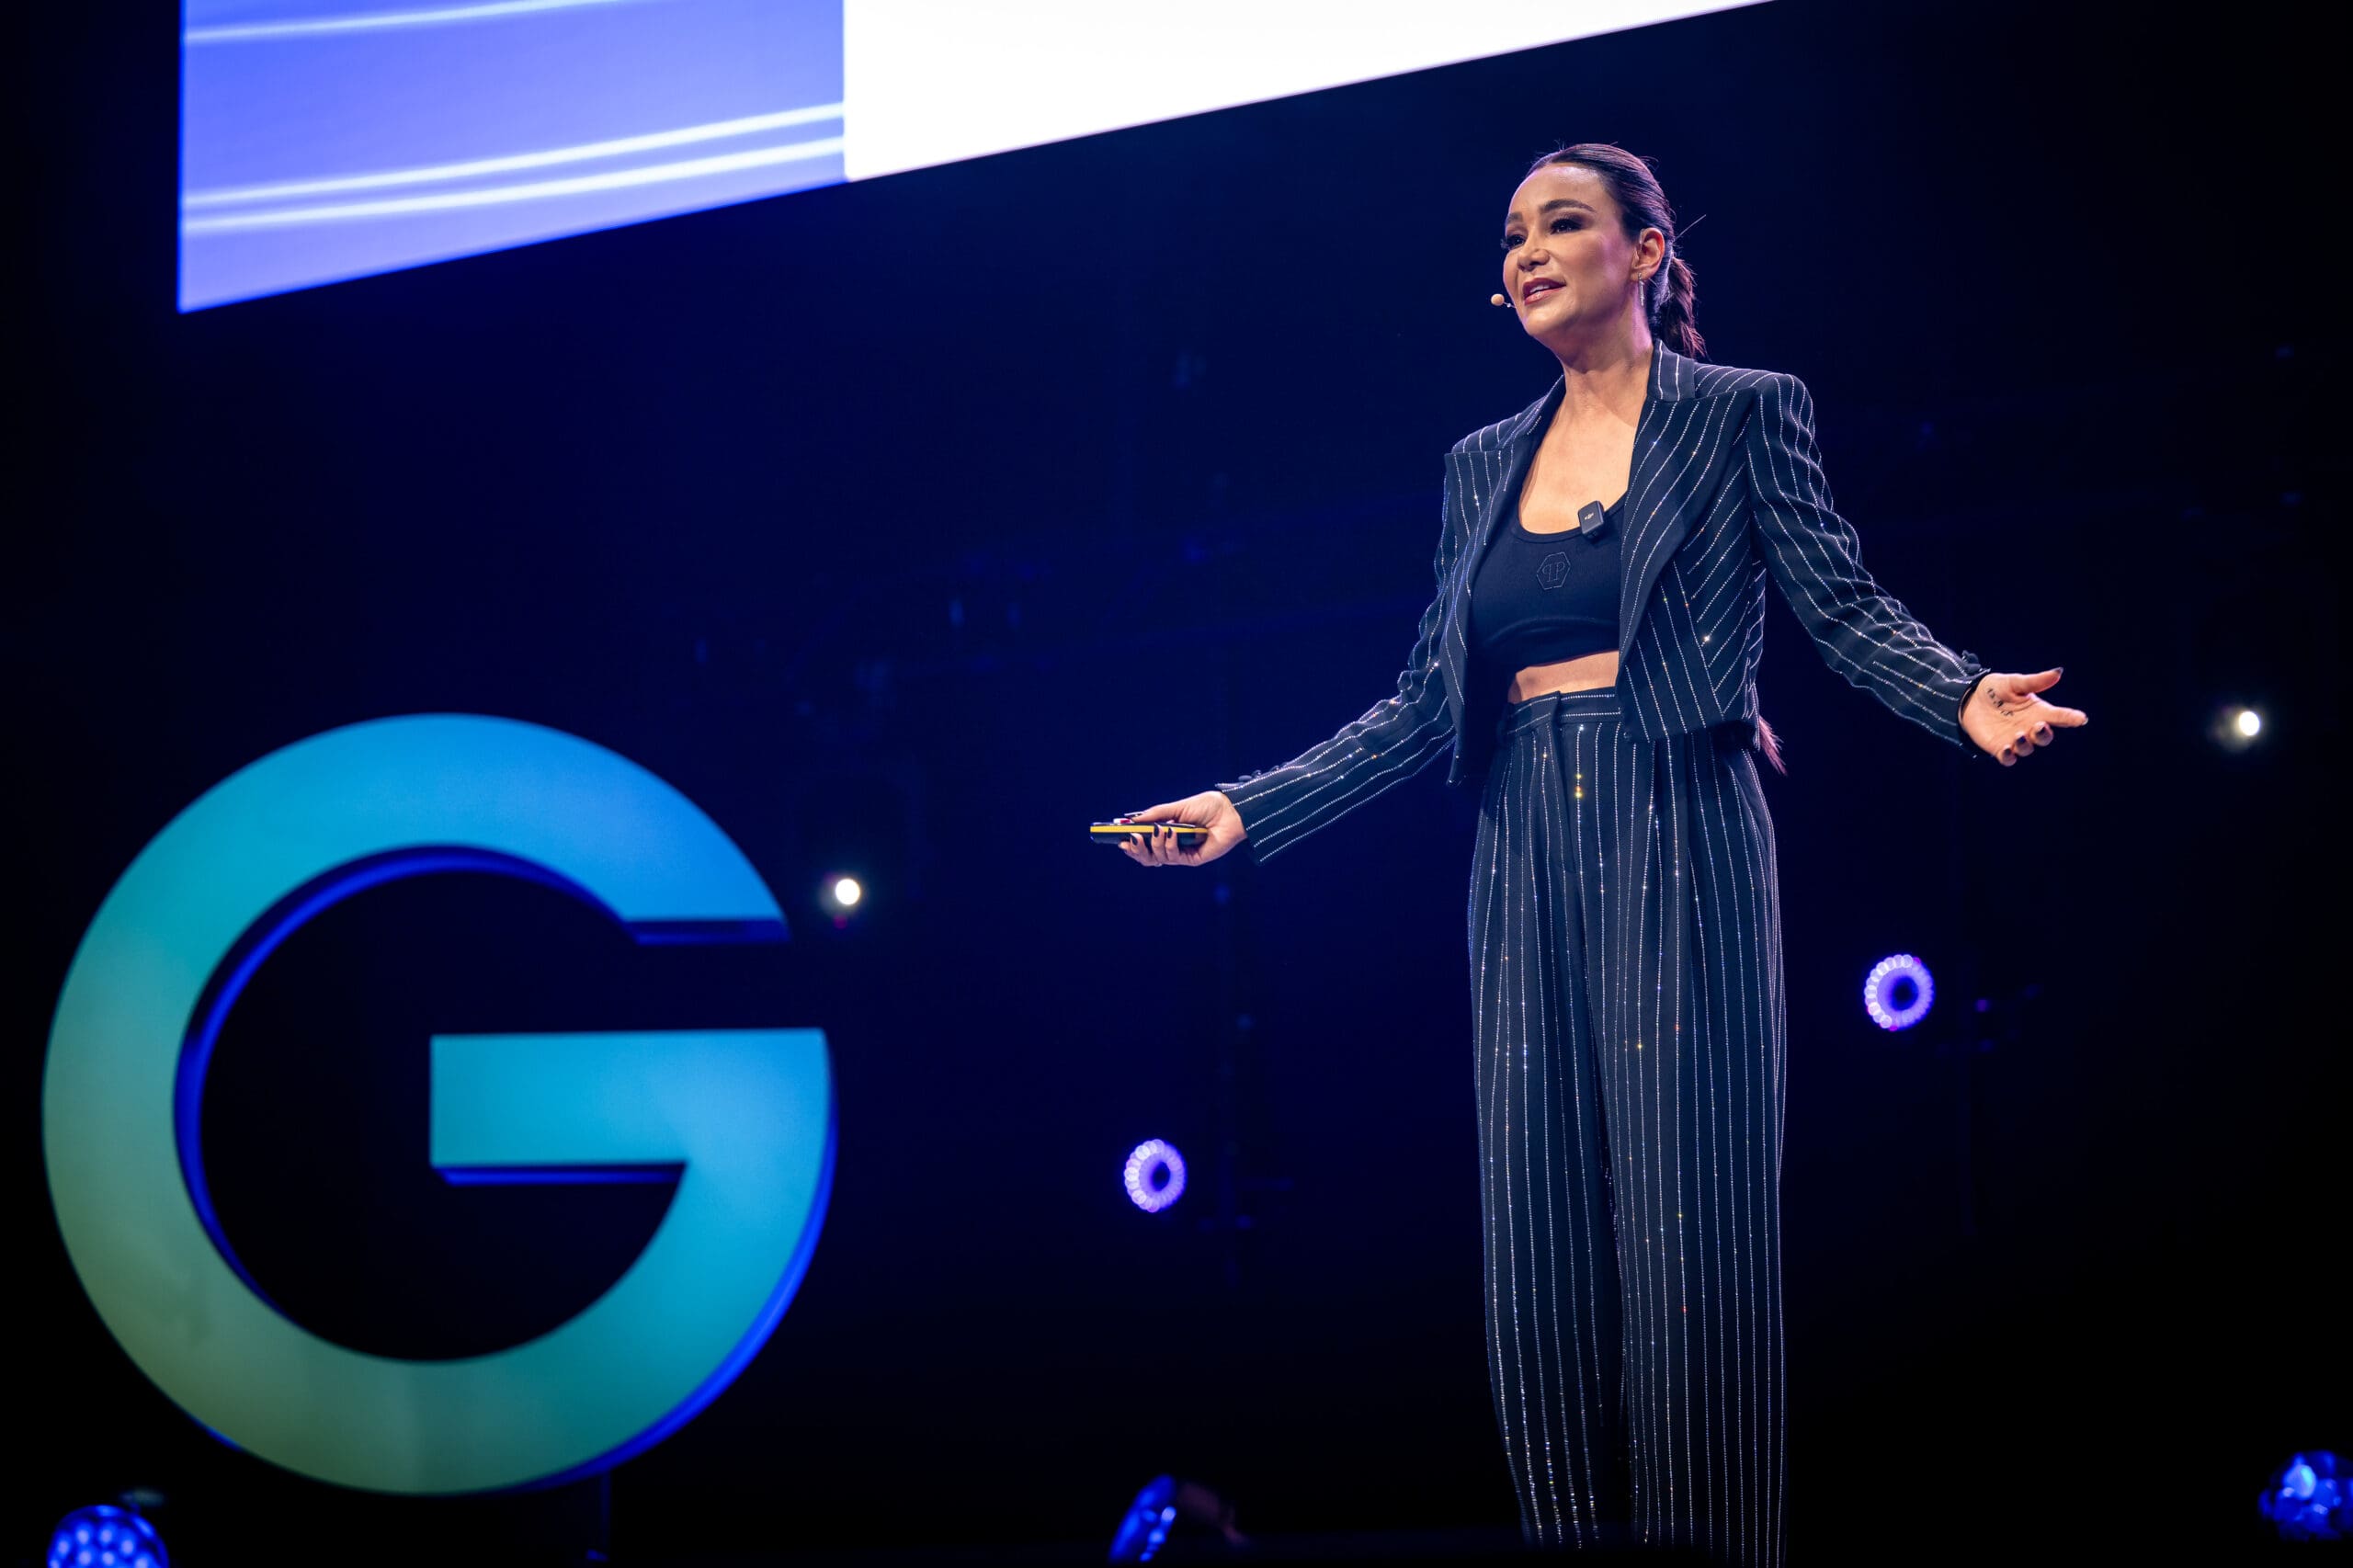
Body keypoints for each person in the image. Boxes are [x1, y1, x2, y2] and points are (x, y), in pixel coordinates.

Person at [1114, 143, 2086, 1563]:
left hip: (1678, 807)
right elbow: (1423, 706)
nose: (1526, 250)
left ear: (1646, 251)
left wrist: (1960, 692)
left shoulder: (1742, 412)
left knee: (1694, 1254)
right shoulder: (1478, 465)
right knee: (1539, 1259)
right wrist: (1246, 806)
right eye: (1511, 232)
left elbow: (1841, 604)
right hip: (1521, 834)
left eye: (1562, 222)